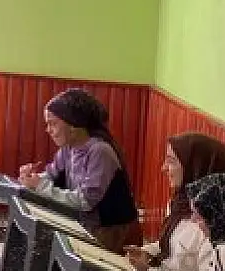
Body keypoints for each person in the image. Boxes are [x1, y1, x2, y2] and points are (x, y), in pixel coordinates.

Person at [19, 88, 142, 253]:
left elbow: (85, 202)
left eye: (53, 123)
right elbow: (51, 175)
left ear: (73, 125)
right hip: (88, 226)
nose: (48, 130)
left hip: (112, 233)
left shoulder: (100, 151)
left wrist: (39, 185)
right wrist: (31, 178)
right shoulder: (68, 148)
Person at [126, 133, 225, 271]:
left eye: (171, 161)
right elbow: (171, 247)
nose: (163, 168)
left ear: (195, 167)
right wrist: (147, 253)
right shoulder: (179, 203)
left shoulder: (216, 222)